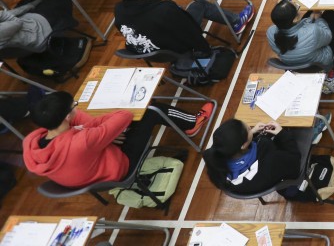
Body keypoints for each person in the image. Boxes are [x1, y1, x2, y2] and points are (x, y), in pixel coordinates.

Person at [25, 91, 211, 188]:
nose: (76, 108)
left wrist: (104, 134)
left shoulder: (33, 141)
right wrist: (104, 133)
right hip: (120, 168)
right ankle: (192, 123)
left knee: (112, 125)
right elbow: (125, 115)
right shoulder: (84, 141)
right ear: (66, 117)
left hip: (89, 176)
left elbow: (80, 121)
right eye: (73, 105)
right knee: (149, 110)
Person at [113, 0, 251, 52]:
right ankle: (237, 22)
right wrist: (203, 49)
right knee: (199, 5)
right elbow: (190, 30)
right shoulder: (164, 9)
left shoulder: (119, 9)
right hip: (177, 45)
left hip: (152, 50)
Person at [203, 118, 307, 195]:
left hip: (256, 181)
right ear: (243, 145)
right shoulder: (270, 160)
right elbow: (295, 164)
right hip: (279, 170)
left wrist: (252, 134)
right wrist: (282, 134)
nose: (251, 128)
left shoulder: (219, 157)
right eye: (248, 129)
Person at [0, 0, 95, 52]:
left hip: (28, 25)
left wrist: (30, 5)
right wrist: (30, 6)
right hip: (39, 34)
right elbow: (16, 23)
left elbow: (8, 15)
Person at [267, 0, 334, 70]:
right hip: (321, 65)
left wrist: (310, 19)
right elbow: (328, 36)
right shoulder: (313, 31)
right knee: (330, 14)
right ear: (294, 19)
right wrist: (319, 20)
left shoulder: (270, 32)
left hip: (293, 66)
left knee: (310, 13)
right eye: (297, 7)